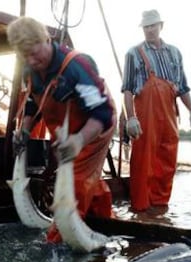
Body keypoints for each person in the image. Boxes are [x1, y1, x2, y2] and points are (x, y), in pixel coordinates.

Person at [6, 17, 117, 240]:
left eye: (34, 53)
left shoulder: (77, 66)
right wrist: (25, 130)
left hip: (94, 130)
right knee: (85, 178)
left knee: (73, 181)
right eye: (24, 55)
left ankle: (57, 243)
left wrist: (79, 141)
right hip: (65, 131)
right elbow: (32, 101)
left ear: (47, 39)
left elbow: (102, 113)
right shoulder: (30, 69)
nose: (31, 60)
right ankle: (105, 223)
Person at [121, 9, 191, 211]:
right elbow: (128, 89)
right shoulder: (133, 53)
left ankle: (160, 206)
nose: (149, 30)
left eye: (152, 25)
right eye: (146, 27)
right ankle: (140, 208)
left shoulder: (175, 52)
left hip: (170, 114)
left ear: (161, 26)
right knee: (143, 159)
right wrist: (131, 118)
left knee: (168, 156)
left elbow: (181, 86)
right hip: (145, 113)